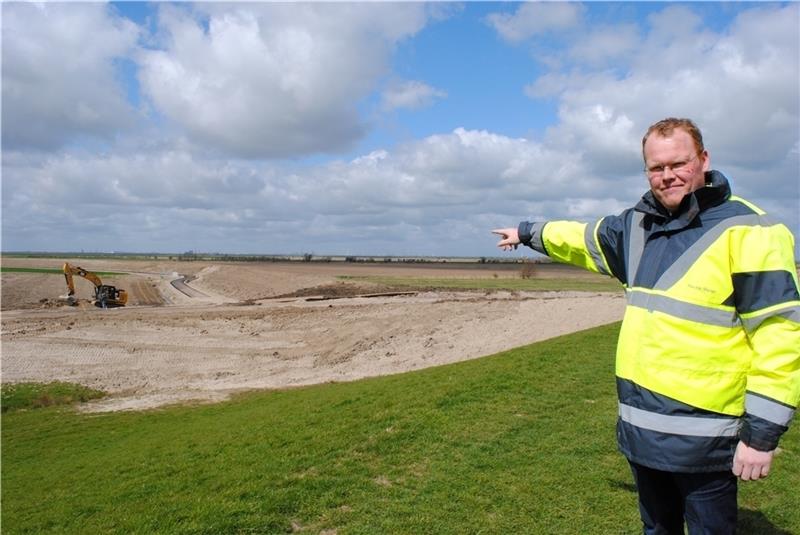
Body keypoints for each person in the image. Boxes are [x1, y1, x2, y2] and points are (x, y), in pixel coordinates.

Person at [493, 117, 800, 534]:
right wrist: (528, 232)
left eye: (679, 163)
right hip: (642, 432)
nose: (667, 175)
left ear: (704, 160)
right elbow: (582, 237)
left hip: (707, 438)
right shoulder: (635, 227)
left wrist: (761, 436)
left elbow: (780, 335)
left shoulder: (751, 230)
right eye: (656, 168)